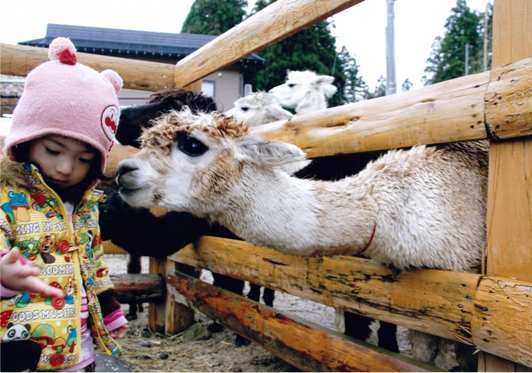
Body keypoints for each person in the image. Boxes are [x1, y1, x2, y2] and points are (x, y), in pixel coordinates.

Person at [0, 37, 127, 371]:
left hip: (78, 350)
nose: (66, 168)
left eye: (85, 158)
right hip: (22, 352)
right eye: (53, 151)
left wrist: (109, 308)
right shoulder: (6, 199)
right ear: (26, 141)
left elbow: (93, 263)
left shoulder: (85, 207)